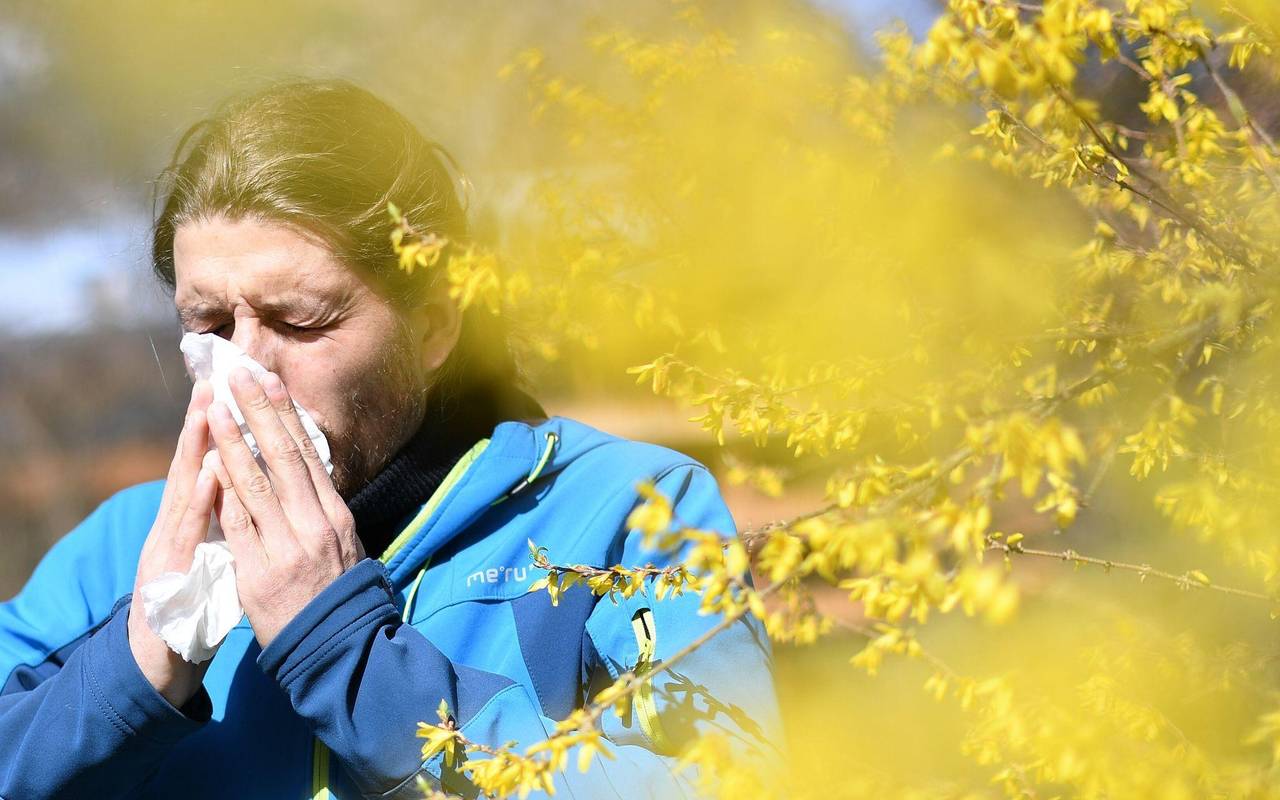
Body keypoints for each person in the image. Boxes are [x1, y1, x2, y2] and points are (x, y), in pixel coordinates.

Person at [0, 78, 782, 799]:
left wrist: (351, 659)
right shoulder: (126, 548)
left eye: (298, 320)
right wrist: (130, 673)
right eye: (208, 325)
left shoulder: (626, 513)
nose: (245, 369)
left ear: (434, 326)